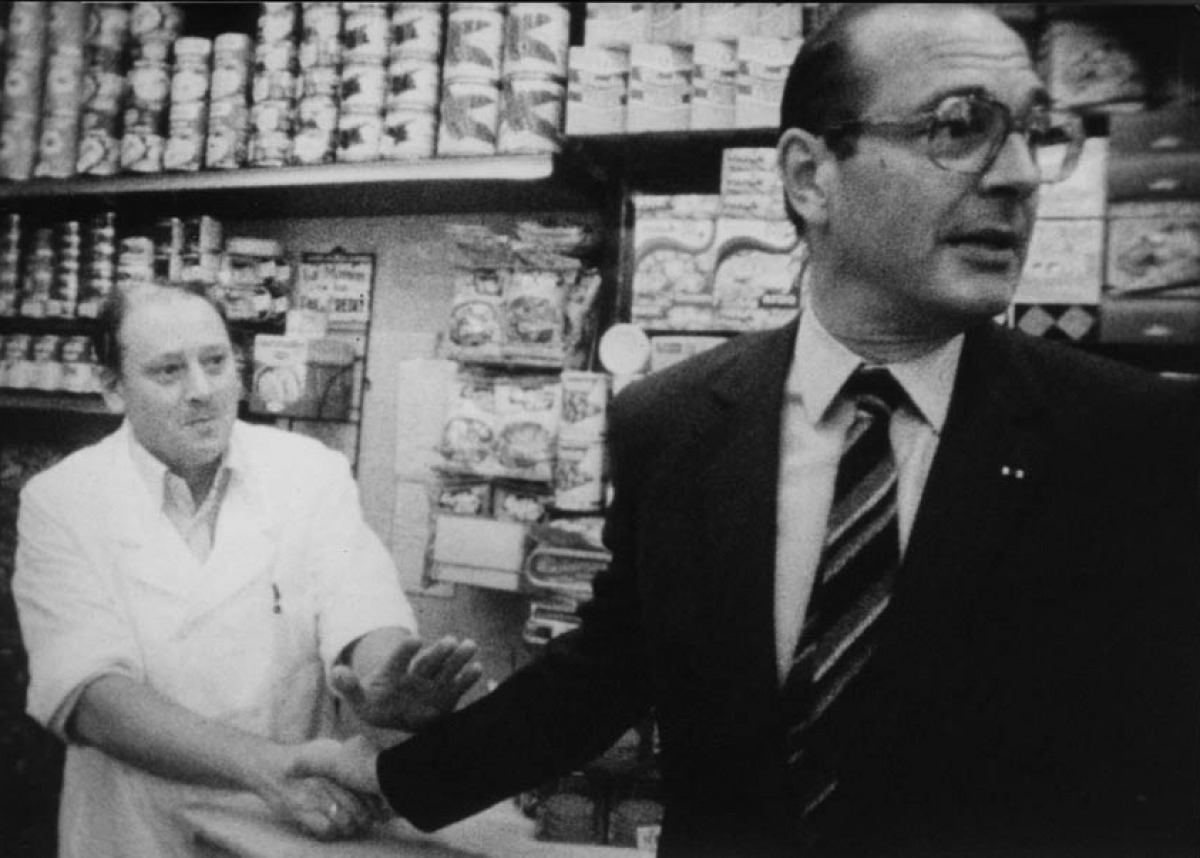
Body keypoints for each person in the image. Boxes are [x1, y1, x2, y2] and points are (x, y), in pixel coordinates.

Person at [295, 5, 1200, 857]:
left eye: (1036, 132)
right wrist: (395, 778)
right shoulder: (671, 421)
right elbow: (607, 671)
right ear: (809, 176)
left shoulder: (1131, 441)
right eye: (959, 127)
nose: (1019, 175)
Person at [12, 280, 482, 858]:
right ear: (112, 388)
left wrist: (385, 677)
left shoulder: (308, 471)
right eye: (168, 371)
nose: (202, 391)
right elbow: (91, 698)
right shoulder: (64, 499)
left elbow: (358, 604)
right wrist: (273, 768)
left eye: (215, 362)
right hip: (137, 832)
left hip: (287, 829)